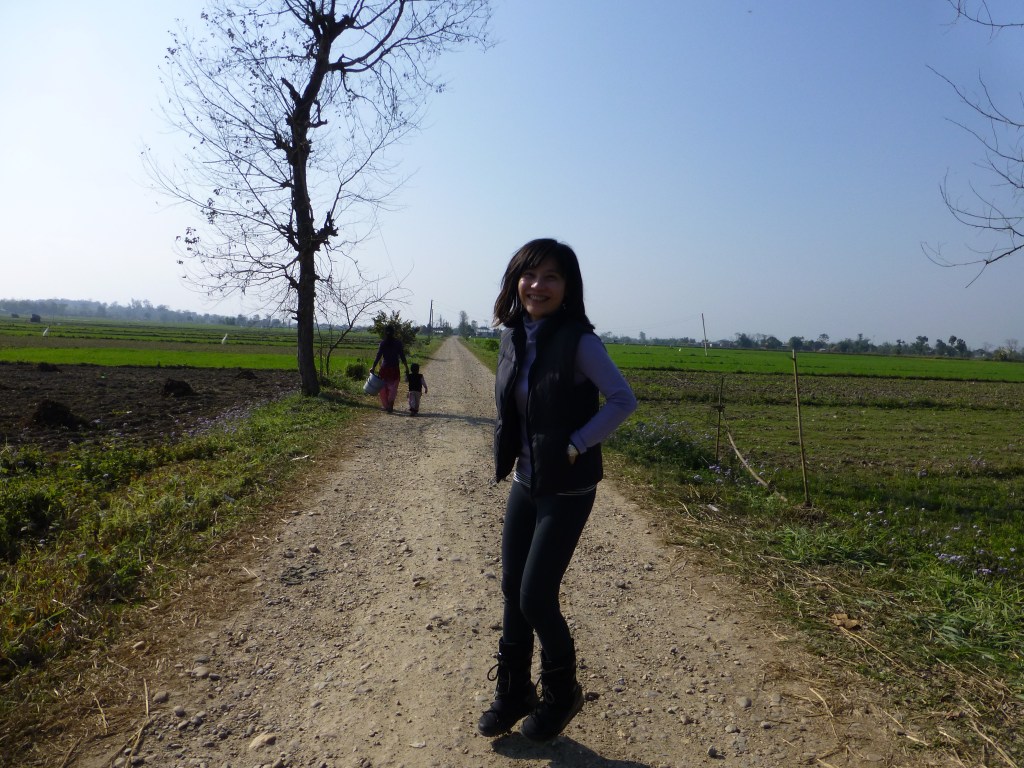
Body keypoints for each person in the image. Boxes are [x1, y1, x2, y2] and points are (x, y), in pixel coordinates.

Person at [478, 238, 637, 742]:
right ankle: (513, 692)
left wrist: (578, 443)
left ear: (568, 287)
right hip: (526, 480)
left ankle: (563, 693)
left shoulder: (579, 342)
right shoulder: (511, 337)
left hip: (567, 487)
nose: (538, 285)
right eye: (530, 275)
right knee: (512, 591)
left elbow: (622, 399)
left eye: (551, 277)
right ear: (515, 280)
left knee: (536, 597)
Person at [370, 325, 408, 413]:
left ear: (385, 333)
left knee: (383, 387)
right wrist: (406, 367)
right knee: (393, 387)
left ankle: (386, 405)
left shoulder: (383, 343)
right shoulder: (398, 343)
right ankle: (391, 403)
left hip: (385, 368)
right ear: (393, 332)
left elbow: (378, 356)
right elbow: (402, 356)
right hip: (394, 368)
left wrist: (373, 367)